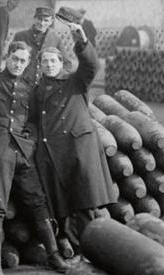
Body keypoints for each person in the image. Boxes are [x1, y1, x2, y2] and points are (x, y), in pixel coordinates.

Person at [0, 12, 71, 274]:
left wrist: (29, 136)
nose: (18, 64)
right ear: (7, 58)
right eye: (15, 59)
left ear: (29, 63)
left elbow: (33, 119)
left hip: (22, 152)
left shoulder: (30, 88)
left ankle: (53, 255)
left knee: (37, 200)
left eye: (23, 61)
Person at [29, 23, 115, 249]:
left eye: (53, 61)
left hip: (77, 148)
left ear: (61, 63)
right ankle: (73, 245)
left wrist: (82, 41)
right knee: (62, 206)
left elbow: (90, 65)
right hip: (53, 151)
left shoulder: (74, 81)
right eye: (45, 62)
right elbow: (34, 118)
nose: (49, 65)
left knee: (85, 202)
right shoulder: (38, 89)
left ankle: (90, 247)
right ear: (40, 65)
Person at [12, 7, 76, 84]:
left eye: (46, 20)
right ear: (34, 19)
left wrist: (56, 80)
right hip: (24, 83)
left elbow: (67, 64)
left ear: (51, 21)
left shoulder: (56, 39)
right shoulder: (20, 36)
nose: (42, 23)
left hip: (46, 84)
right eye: (39, 19)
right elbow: (12, 59)